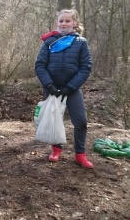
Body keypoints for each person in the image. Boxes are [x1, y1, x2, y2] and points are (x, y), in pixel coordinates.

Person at [35, 9, 93, 169]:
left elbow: (85, 67)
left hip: (72, 89)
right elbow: (39, 65)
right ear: (57, 23)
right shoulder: (49, 41)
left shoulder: (81, 42)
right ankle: (56, 150)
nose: (64, 24)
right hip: (51, 87)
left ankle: (80, 154)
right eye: (61, 21)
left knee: (80, 121)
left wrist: (71, 87)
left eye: (67, 21)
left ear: (74, 23)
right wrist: (49, 85)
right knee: (55, 121)